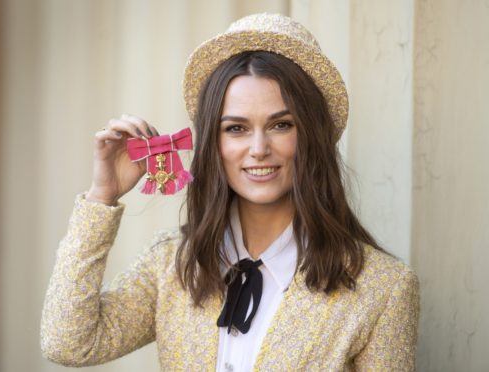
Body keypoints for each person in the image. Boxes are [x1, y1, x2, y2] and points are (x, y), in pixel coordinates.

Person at [41, 13, 419, 371]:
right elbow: (68, 342)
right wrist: (101, 196)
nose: (258, 149)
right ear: (213, 142)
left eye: (281, 125)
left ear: (311, 136)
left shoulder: (383, 288)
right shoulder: (173, 264)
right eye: (236, 128)